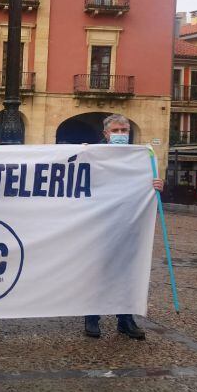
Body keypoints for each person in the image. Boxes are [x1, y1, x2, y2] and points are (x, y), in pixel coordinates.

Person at [84, 114, 164, 340]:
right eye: (116, 130)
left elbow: (150, 183)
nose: (121, 134)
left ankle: (126, 320)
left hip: (131, 223)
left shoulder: (143, 156)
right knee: (98, 271)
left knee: (130, 273)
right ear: (106, 134)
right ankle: (92, 317)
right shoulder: (93, 154)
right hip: (100, 224)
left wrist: (158, 184)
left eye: (124, 130)